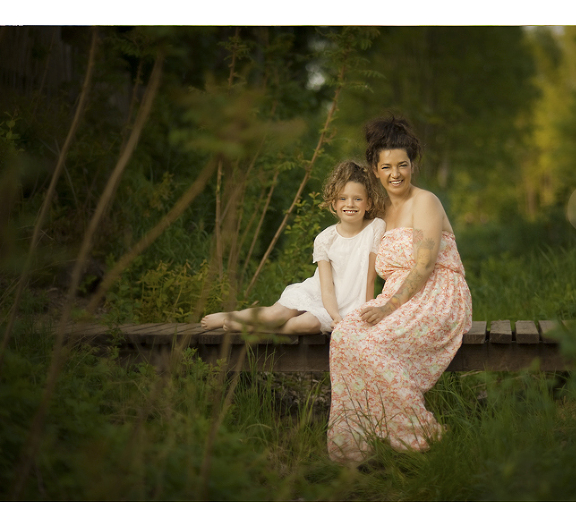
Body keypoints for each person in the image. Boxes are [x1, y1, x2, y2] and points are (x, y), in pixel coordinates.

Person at [327, 116, 473, 464]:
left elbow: (423, 266)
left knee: (370, 342)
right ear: (375, 170)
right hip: (396, 298)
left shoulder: (426, 202)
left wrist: (387, 308)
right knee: (344, 335)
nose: (396, 173)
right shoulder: (379, 211)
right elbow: (346, 247)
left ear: (412, 165)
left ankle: (420, 432)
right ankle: (356, 447)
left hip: (438, 294)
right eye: (387, 166)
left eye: (403, 165)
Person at [201, 160, 386, 334]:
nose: (350, 204)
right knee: (275, 315)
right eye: (343, 198)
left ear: (368, 202)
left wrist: (365, 313)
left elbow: (370, 279)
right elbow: (326, 287)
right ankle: (231, 316)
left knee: (308, 324)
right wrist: (335, 315)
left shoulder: (375, 228)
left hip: (350, 305)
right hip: (320, 296)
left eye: (357, 199)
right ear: (334, 203)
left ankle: (257, 329)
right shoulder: (325, 239)